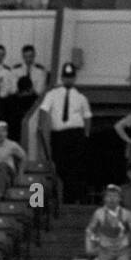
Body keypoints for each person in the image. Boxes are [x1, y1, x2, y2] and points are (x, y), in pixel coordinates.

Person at [41, 63, 92, 204]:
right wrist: (44, 131)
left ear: (74, 78)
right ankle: (60, 198)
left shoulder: (81, 97)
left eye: (71, 77)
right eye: (65, 77)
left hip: (76, 134)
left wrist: (85, 136)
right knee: (59, 166)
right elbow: (44, 111)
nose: (68, 80)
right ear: (62, 78)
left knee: (75, 167)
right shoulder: (52, 94)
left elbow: (87, 117)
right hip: (59, 135)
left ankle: (73, 198)